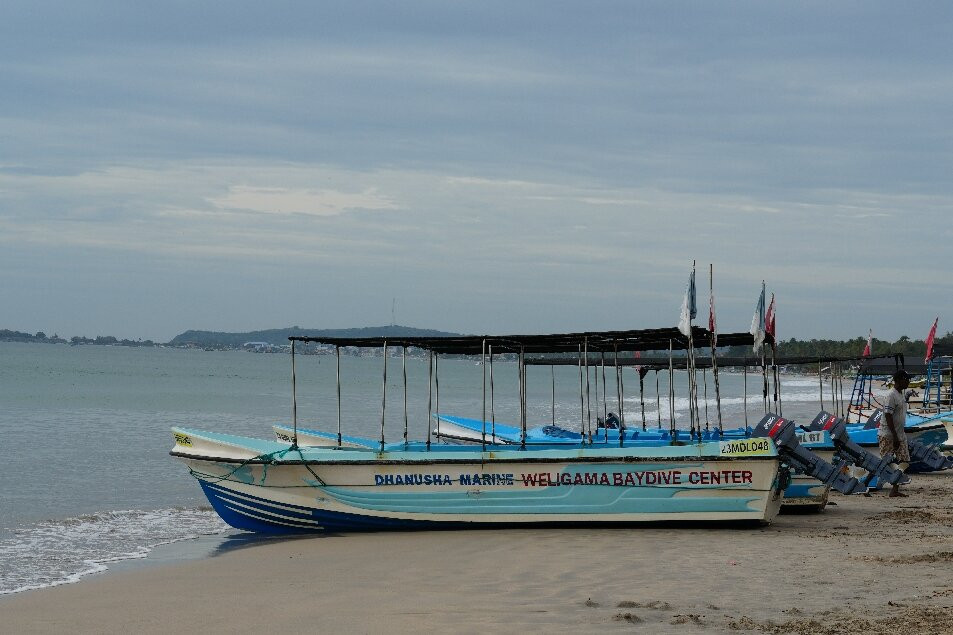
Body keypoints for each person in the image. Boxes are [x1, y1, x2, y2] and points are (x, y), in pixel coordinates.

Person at [880, 369, 911, 497]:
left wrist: (899, 435)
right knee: (885, 462)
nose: (908, 382)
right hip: (889, 435)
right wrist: (894, 436)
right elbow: (888, 415)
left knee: (904, 461)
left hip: (900, 434)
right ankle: (868, 482)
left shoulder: (901, 394)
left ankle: (895, 488)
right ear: (898, 380)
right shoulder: (891, 395)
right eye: (906, 379)